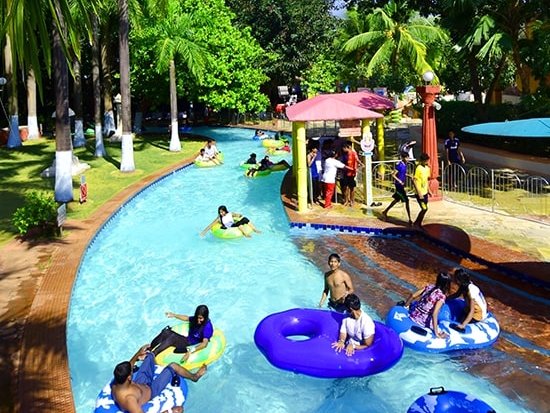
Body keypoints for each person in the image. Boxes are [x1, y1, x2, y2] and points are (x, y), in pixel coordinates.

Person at [111, 344, 206, 413]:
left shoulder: (117, 383)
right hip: (152, 391)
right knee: (173, 366)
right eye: (131, 372)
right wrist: (167, 412)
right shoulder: (129, 400)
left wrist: (138, 353)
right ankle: (195, 377)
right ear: (128, 377)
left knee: (150, 355)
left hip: (140, 382)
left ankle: (154, 367)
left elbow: (129, 366)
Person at [149, 305, 213, 362]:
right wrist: (174, 315)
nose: (198, 320)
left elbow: (205, 344)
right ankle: (150, 348)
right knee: (166, 332)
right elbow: (186, 318)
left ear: (205, 317)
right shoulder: (196, 319)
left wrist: (190, 351)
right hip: (186, 339)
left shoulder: (207, 327)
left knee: (173, 337)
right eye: (197, 317)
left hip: (189, 344)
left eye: (200, 318)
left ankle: (152, 355)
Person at [403, 272, 452, 338]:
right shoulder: (441, 296)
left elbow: (413, 295)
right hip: (423, 321)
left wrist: (405, 307)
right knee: (447, 336)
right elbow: (434, 314)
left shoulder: (429, 287)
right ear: (447, 284)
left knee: (414, 303)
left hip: (413, 314)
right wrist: (437, 333)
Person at [382, 151, 412, 225]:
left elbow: (403, 173)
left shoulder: (405, 165)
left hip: (401, 185)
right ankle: (410, 219)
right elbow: (393, 174)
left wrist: (408, 175)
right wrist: (399, 181)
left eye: (408, 157)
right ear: (403, 158)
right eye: (406, 157)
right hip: (398, 185)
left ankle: (385, 211)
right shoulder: (399, 165)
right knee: (406, 201)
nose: (408, 159)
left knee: (396, 200)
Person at [413, 153, 431, 228]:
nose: (427, 161)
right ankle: (417, 223)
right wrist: (419, 193)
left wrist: (429, 190)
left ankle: (418, 223)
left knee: (425, 209)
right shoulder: (418, 168)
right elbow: (414, 180)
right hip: (419, 193)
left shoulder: (427, 168)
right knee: (424, 208)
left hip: (425, 192)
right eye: (425, 160)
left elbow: (426, 180)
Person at [341, 142, 359, 207]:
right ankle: (346, 200)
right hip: (345, 173)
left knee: (352, 188)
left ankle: (352, 201)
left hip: (352, 174)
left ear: (347, 147)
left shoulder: (354, 153)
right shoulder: (344, 155)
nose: (343, 149)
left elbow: (357, 161)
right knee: (345, 188)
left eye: (344, 148)